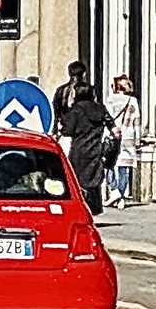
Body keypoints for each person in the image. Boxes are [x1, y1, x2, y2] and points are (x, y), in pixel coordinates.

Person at [58, 84, 116, 215]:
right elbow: (113, 127)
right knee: (94, 179)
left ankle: (81, 208)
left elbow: (67, 130)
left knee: (77, 180)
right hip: (96, 149)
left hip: (79, 150)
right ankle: (94, 208)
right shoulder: (100, 109)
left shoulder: (76, 110)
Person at [109, 76, 143, 207]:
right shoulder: (133, 101)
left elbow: (107, 118)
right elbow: (137, 122)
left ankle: (114, 190)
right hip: (128, 136)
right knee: (124, 168)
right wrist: (138, 140)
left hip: (113, 135)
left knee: (109, 165)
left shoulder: (110, 100)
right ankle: (121, 196)